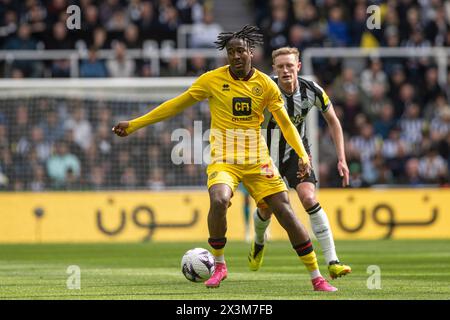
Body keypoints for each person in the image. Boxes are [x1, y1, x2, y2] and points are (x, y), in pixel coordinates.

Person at [112, 26, 337, 292]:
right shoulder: (211, 80)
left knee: (285, 212)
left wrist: (302, 155)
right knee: (219, 199)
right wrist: (136, 124)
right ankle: (219, 264)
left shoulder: (266, 84)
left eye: (240, 50)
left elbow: (286, 124)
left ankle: (316, 277)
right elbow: (175, 104)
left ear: (250, 52)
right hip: (224, 159)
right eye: (230, 52)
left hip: (257, 159)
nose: (235, 56)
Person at [248, 47, 351, 279]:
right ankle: (258, 243)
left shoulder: (312, 90)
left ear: (298, 67)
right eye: (280, 66)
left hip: (298, 155)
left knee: (309, 198)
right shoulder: (263, 89)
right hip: (266, 156)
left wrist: (342, 159)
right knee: (266, 209)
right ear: (274, 69)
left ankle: (333, 261)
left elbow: (334, 122)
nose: (285, 70)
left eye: (289, 65)